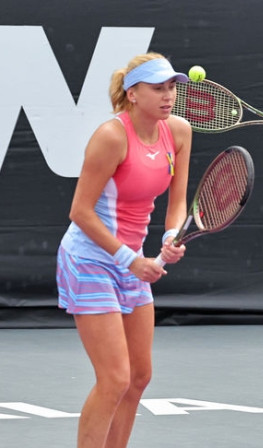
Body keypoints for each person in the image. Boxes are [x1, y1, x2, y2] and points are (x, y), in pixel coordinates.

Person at [56, 53, 192, 446]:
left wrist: (170, 237)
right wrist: (130, 260)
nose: (168, 96)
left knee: (138, 377)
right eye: (157, 88)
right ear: (132, 94)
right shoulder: (111, 136)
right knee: (114, 378)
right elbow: (80, 211)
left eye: (171, 88)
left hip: (131, 261)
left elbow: (177, 203)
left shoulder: (179, 131)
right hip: (89, 260)